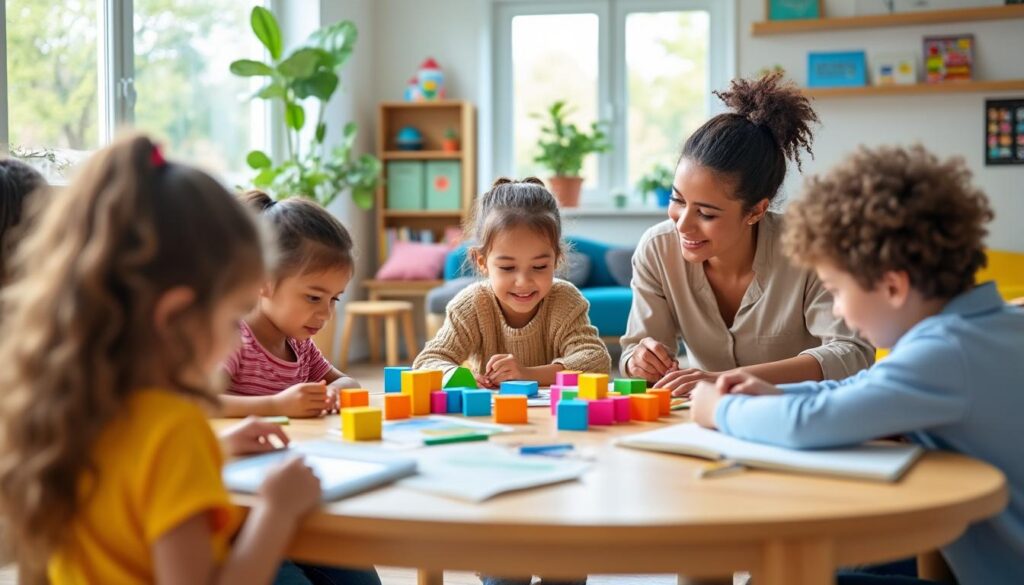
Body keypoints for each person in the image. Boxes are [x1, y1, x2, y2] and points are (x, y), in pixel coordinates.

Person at [691, 145, 1023, 585]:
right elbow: (860, 388)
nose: (842, 314)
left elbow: (810, 423)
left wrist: (720, 410)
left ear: (892, 286)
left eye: (837, 290)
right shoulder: (986, 327)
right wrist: (767, 392)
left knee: (776, 577)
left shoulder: (944, 354)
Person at [0, 135, 321, 584]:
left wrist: (215, 452)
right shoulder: (173, 430)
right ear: (174, 317)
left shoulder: (72, 408)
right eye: (233, 316)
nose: (237, 338)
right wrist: (276, 510)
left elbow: (126, 485)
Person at [620, 73, 873, 395]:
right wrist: (639, 361)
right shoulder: (658, 249)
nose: (682, 224)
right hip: (704, 417)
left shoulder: (811, 248)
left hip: (799, 413)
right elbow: (632, 351)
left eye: (707, 213)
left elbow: (851, 354)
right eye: (677, 200)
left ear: (756, 210)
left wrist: (723, 380)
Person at [414, 177, 610, 388]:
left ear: (557, 259)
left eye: (540, 267)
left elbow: (596, 361)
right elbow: (427, 362)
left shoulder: (564, 299)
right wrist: (457, 375)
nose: (523, 282)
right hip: (493, 417)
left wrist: (527, 374)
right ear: (482, 262)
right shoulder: (472, 304)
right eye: (507, 268)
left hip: (555, 416)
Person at [221, 190, 362, 418]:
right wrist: (276, 406)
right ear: (262, 281)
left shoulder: (300, 346)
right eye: (314, 297)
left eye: (334, 299)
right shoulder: (232, 339)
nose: (326, 314)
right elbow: (198, 403)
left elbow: (349, 382)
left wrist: (334, 392)